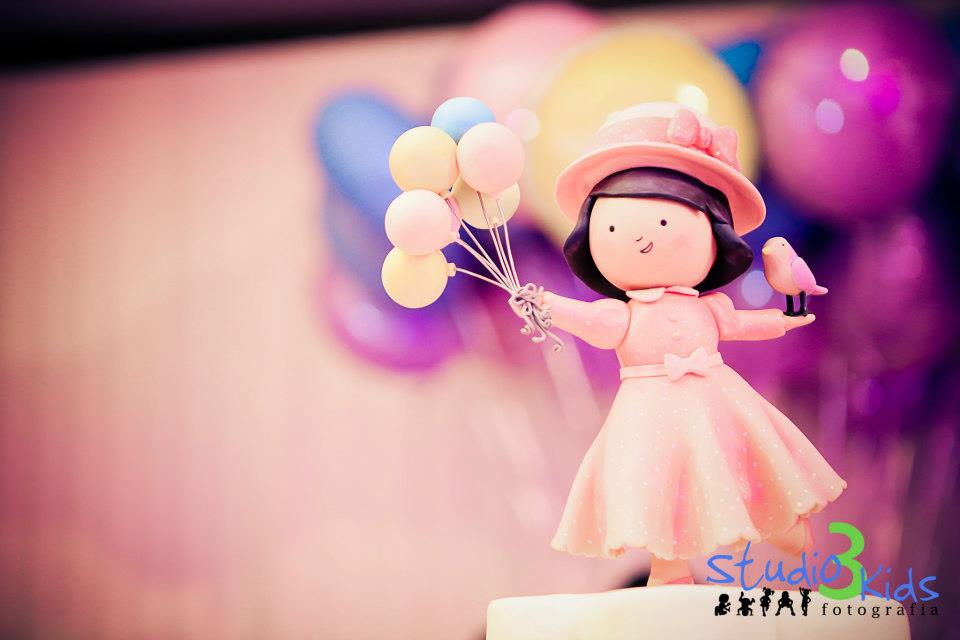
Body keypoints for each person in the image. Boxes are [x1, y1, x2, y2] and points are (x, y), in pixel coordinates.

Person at [524, 102, 846, 586]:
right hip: (648, 412)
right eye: (610, 228)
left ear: (715, 231)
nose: (641, 239)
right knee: (660, 484)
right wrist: (545, 303)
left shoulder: (709, 307)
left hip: (714, 400)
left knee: (739, 463)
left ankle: (780, 525)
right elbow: (586, 321)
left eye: (663, 224)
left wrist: (783, 321)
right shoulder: (621, 315)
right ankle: (669, 569)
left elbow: (740, 324)